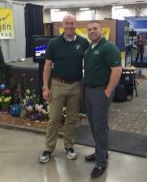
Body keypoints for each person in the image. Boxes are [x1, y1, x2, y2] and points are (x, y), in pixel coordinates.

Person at [39, 14, 89, 163]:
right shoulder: (54, 43)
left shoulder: (83, 42)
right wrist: (45, 87)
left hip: (75, 86)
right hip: (57, 85)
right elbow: (47, 66)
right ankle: (49, 149)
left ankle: (69, 146)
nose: (69, 26)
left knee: (72, 119)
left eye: (72, 23)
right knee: (53, 119)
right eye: (67, 23)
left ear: (76, 24)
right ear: (63, 25)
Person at [83, 20, 122, 178]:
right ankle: (101, 152)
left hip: (101, 92)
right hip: (89, 91)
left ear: (101, 30)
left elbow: (117, 70)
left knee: (100, 126)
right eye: (90, 29)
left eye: (95, 28)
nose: (92, 31)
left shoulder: (108, 47)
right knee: (93, 124)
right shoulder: (90, 48)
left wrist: (107, 91)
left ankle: (101, 163)